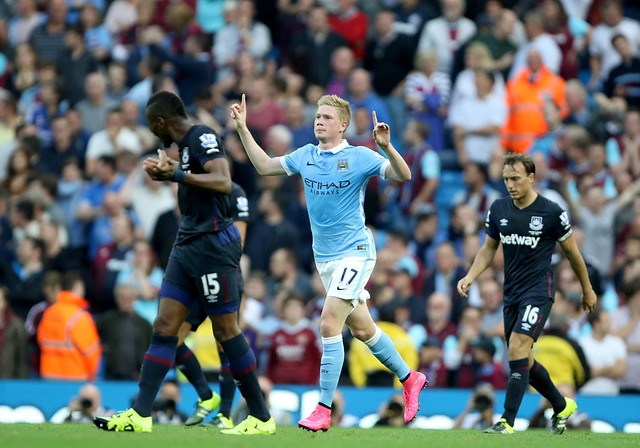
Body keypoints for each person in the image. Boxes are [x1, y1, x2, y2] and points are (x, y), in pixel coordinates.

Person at [230, 93, 427, 433]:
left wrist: (386, 147)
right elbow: (264, 166)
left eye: (326, 117)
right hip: (326, 259)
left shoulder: (359, 156)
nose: (318, 121)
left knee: (327, 324)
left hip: (356, 251)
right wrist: (243, 129)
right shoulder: (305, 155)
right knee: (363, 329)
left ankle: (323, 408)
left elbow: (403, 175)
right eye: (317, 116)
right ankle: (411, 379)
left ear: (343, 125)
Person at [93, 91, 274, 435]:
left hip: (212, 247)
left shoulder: (202, 136)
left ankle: (261, 418)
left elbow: (222, 182)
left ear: (161, 121)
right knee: (164, 327)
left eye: (151, 124)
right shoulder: (185, 148)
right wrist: (172, 172)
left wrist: (175, 176)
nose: (151, 132)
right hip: (187, 243)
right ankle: (140, 414)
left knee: (226, 332)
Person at [457, 152, 597, 435]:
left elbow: (573, 254)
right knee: (524, 360)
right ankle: (561, 405)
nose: (510, 184)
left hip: (539, 291)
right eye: (506, 179)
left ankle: (507, 421)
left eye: (516, 179)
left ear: (532, 178)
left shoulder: (552, 212)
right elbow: (488, 249)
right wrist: (471, 276)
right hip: (512, 294)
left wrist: (587, 289)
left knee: (518, 347)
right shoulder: (498, 209)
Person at [176, 181, 250, 429]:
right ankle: (206, 395)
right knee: (171, 338)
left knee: (225, 343)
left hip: (223, 276)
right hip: (194, 275)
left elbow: (238, 242)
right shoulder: (194, 190)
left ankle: (225, 415)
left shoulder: (235, 192)